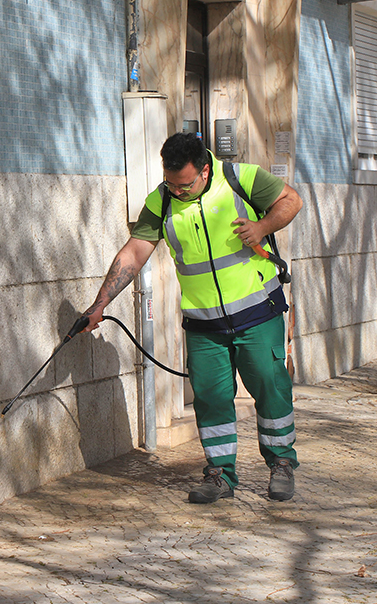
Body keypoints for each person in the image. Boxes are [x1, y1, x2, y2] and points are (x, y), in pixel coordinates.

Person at [83, 132, 303, 503]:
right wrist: (100, 303)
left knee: (270, 385)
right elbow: (135, 251)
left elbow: (291, 200)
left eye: (185, 184)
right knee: (210, 398)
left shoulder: (240, 178)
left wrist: (262, 228)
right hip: (204, 325)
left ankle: (281, 464)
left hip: (257, 312)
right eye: (171, 183)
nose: (178, 191)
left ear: (204, 170)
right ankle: (219, 475)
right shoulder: (162, 200)